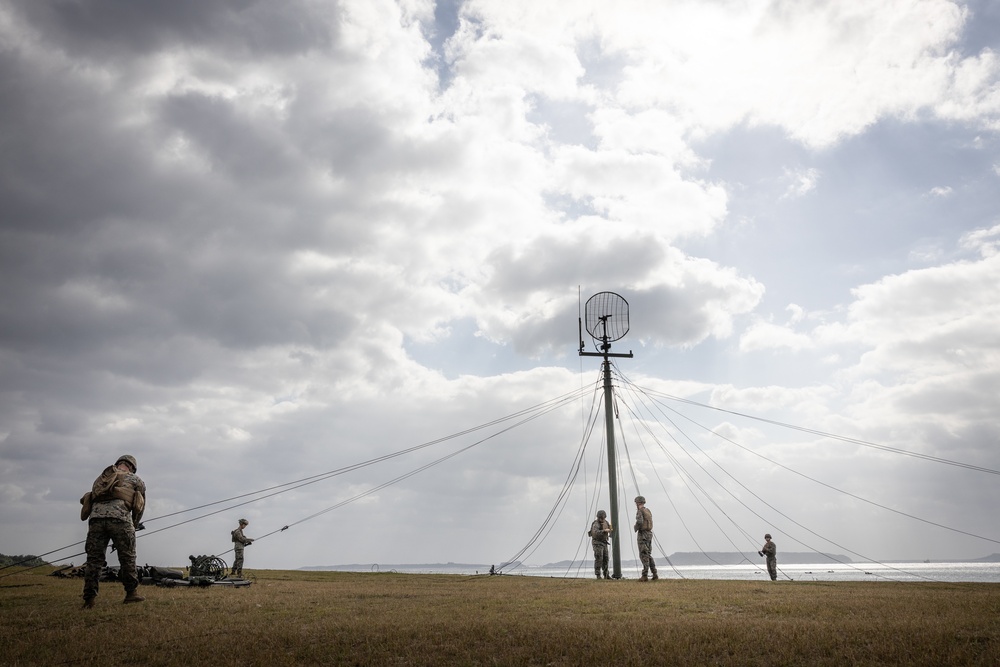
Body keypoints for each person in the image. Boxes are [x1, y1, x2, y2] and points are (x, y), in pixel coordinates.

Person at [81, 454, 146, 608]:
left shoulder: (101, 477)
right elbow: (139, 505)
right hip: (121, 520)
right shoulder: (135, 480)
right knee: (127, 557)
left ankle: (89, 600)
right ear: (132, 468)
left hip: (96, 521)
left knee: (94, 561)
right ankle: (131, 593)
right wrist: (134, 526)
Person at [633, 496, 658, 581]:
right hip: (649, 534)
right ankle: (654, 573)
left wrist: (635, 527)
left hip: (643, 534)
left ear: (638, 503)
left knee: (644, 555)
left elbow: (639, 522)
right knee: (648, 555)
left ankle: (644, 575)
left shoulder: (640, 511)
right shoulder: (648, 511)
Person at [589, 509, 613, 579]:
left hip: (604, 542)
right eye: (601, 518)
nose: (602, 519)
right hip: (597, 542)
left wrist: (610, 530)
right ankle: (598, 575)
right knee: (599, 558)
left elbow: (610, 528)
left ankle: (606, 574)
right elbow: (595, 532)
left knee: (606, 559)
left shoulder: (606, 522)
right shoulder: (595, 524)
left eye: (603, 518)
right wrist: (603, 531)